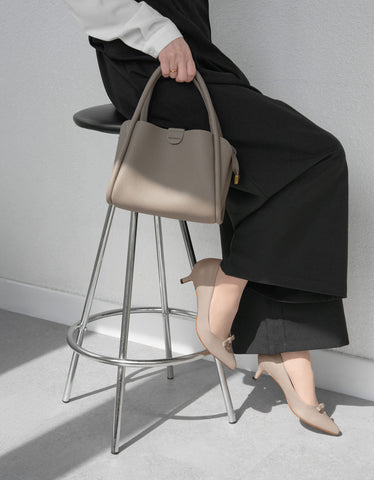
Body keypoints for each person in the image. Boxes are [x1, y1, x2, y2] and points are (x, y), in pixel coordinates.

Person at [64, 0, 350, 435]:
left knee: (271, 168)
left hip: (198, 57)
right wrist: (158, 34)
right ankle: (233, 288)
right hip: (149, 62)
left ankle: (283, 347)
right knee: (318, 156)